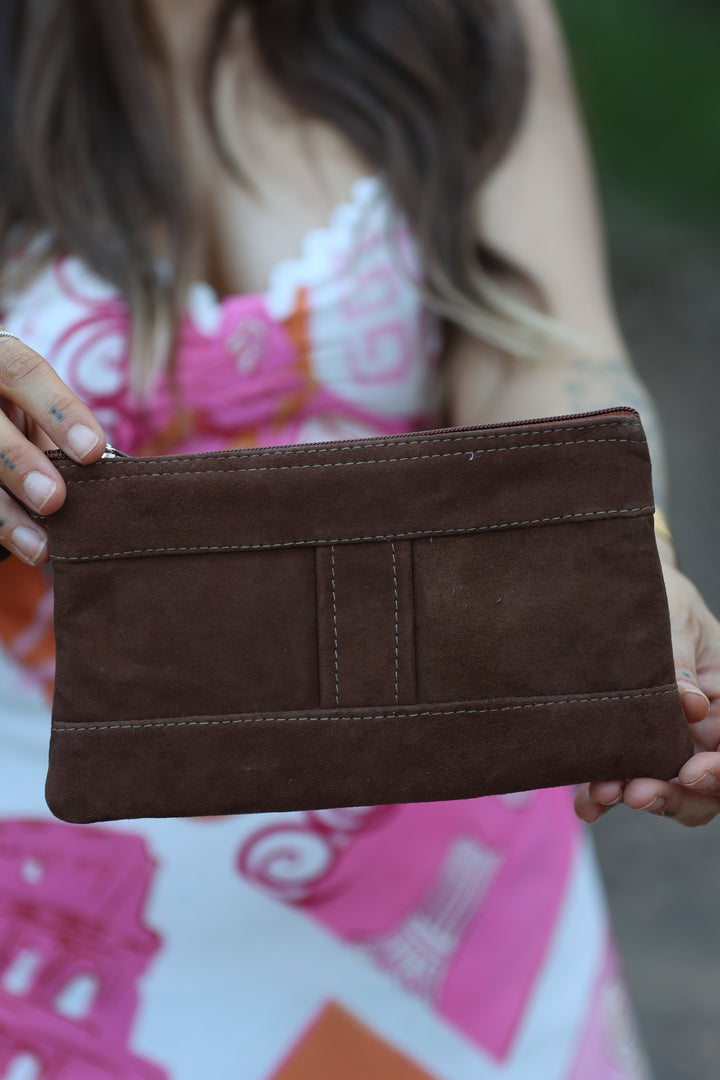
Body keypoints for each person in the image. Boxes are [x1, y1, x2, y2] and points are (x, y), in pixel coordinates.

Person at [0, 1, 718, 1077]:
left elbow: (544, 345)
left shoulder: (468, 19)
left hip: (452, 931)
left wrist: (620, 552)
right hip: (71, 930)